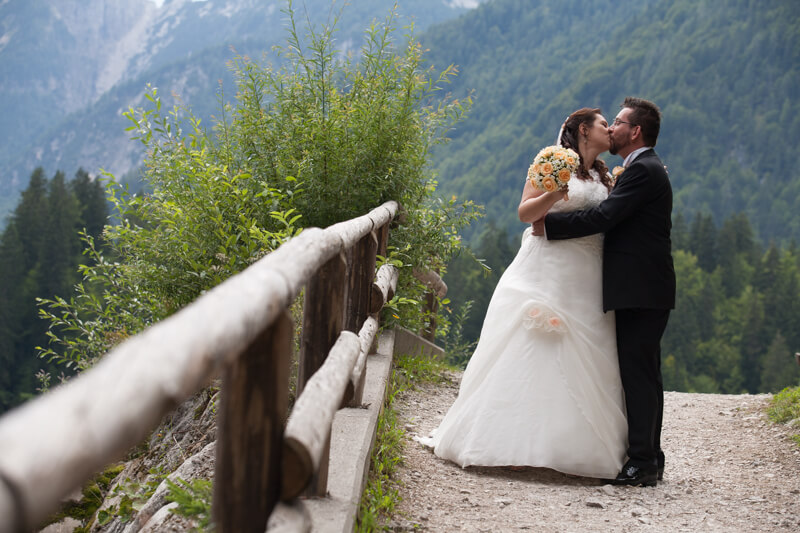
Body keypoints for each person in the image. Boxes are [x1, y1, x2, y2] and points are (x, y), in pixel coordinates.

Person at [416, 108, 627, 479]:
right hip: (546, 268)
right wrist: (553, 194)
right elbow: (525, 213)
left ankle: (568, 443)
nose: (610, 130)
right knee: (532, 346)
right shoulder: (552, 159)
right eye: (603, 124)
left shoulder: (601, 174)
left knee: (586, 350)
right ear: (583, 130)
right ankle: (510, 441)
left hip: (588, 273)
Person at [534, 97, 675, 487]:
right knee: (645, 374)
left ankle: (643, 461)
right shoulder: (641, 168)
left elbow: (606, 217)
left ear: (636, 132)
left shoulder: (643, 170)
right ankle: (651, 457)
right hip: (643, 287)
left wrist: (551, 228)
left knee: (638, 375)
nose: (611, 127)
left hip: (641, 289)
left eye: (618, 122)